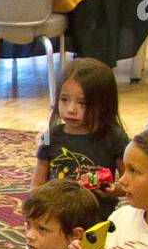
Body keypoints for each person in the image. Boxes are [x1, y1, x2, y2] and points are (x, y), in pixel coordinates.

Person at [33, 57, 129, 217]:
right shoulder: (49, 136)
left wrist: (113, 189)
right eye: (64, 100)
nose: (71, 109)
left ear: (104, 104)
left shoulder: (114, 137)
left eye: (83, 103)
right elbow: (38, 181)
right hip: (57, 217)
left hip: (97, 217)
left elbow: (130, 181)